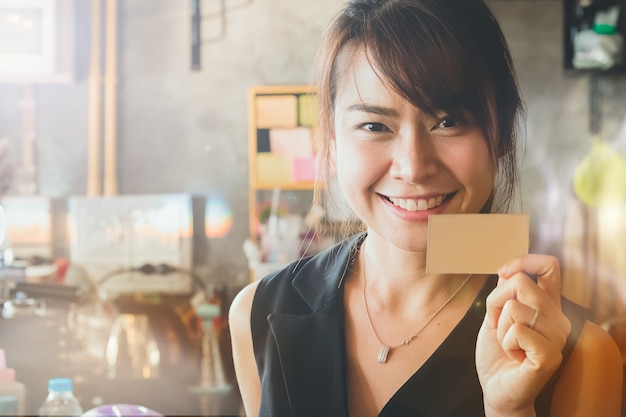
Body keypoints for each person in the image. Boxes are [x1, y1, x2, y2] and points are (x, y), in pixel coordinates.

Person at [229, 0, 623, 416]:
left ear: (504, 131)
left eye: (449, 121)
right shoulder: (259, 314)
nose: (414, 167)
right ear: (330, 141)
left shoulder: (581, 356)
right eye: (375, 126)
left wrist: (511, 410)